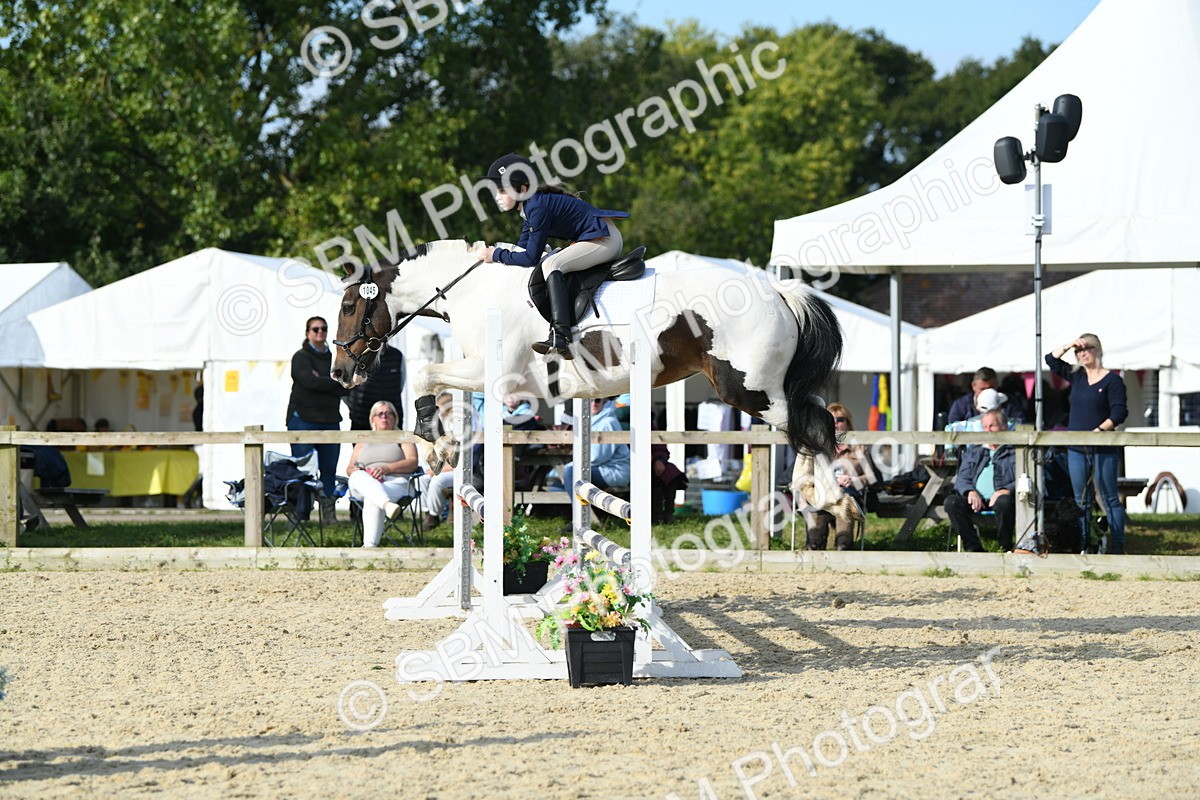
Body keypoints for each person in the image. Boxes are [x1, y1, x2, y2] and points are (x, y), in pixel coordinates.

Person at [475, 153, 629, 359]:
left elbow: (530, 258)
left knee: (552, 265)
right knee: (550, 262)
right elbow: (521, 252)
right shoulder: (530, 208)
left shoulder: (537, 207)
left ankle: (561, 334)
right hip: (596, 238)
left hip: (604, 240)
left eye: (502, 191)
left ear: (521, 189)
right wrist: (500, 255)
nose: (497, 197)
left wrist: (495, 254)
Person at [1046, 334, 1129, 554]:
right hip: (1076, 448)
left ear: (1098, 349)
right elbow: (1050, 360)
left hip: (1102, 447)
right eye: (1078, 350)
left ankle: (1118, 546)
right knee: (1081, 500)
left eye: (1086, 348)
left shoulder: (1113, 381)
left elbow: (1119, 412)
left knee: (1110, 497)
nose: (1082, 353)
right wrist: (1068, 344)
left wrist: (1100, 430)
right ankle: (1083, 545)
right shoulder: (1078, 377)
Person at [287, 316, 350, 522]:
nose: (320, 332)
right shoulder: (300, 357)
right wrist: (334, 383)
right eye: (315, 329)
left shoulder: (334, 357)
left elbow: (346, 384)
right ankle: (301, 514)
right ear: (308, 332)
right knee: (303, 468)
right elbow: (308, 381)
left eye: (323, 328)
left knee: (329, 469)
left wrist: (324, 382)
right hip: (303, 419)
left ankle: (328, 515)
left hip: (330, 419)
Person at [346, 401, 420, 548]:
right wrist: (359, 471)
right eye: (379, 414)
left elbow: (413, 462)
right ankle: (387, 505)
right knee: (356, 476)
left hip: (395, 483)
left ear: (395, 417)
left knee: (372, 497)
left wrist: (387, 468)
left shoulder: (403, 437)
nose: (384, 417)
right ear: (372, 418)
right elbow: (349, 468)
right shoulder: (363, 440)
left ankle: (369, 547)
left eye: (388, 413)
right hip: (364, 483)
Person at [804, 403, 877, 550]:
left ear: (847, 423)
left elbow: (871, 477)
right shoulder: (816, 447)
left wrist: (854, 480)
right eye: (831, 420)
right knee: (818, 502)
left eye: (840, 420)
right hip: (822, 494)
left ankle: (844, 544)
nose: (835, 424)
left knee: (844, 501)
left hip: (849, 494)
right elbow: (807, 475)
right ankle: (815, 544)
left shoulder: (859, 448)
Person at [943, 409, 1017, 552]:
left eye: (992, 426)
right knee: (951, 502)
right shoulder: (974, 450)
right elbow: (962, 477)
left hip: (1003, 499)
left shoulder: (1014, 450)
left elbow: (1024, 477)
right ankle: (973, 548)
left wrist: (1005, 490)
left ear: (1004, 427)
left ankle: (1005, 547)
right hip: (977, 501)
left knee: (1004, 502)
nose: (988, 431)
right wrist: (970, 491)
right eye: (985, 427)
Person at [559, 398, 630, 492]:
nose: (593, 404)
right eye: (589, 401)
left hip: (615, 471)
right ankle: (582, 506)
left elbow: (597, 457)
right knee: (557, 486)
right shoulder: (593, 420)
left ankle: (580, 507)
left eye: (597, 400)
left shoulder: (607, 422)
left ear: (603, 401)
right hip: (602, 469)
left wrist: (570, 465)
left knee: (571, 472)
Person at [346, 345, 405, 431]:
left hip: (391, 420)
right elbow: (346, 387)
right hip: (361, 419)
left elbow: (401, 384)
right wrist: (354, 407)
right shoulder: (356, 355)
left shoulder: (397, 355)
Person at [947, 367, 1024, 425]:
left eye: (990, 388)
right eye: (982, 389)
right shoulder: (961, 404)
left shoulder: (1009, 402)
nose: (987, 393)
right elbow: (952, 429)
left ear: (997, 385)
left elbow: (1020, 423)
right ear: (974, 386)